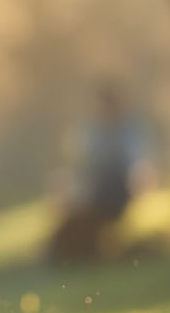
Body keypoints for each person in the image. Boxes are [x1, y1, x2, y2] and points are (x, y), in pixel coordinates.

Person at [45, 82, 151, 264]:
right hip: (94, 191)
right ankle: (74, 252)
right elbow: (83, 166)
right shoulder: (92, 132)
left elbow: (134, 163)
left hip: (115, 190)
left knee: (85, 210)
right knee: (75, 211)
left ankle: (76, 252)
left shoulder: (127, 130)